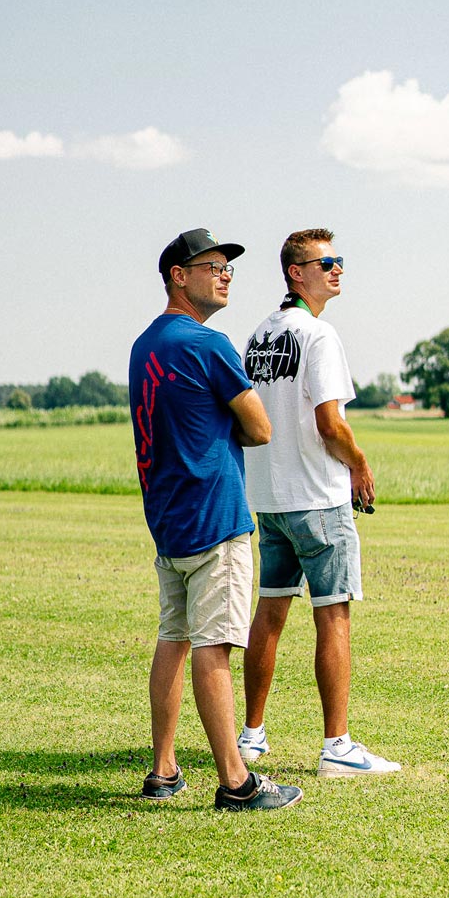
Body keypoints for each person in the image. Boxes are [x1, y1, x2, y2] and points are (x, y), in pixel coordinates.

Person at [132, 228, 302, 812]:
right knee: (214, 646)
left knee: (173, 636)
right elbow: (259, 428)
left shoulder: (145, 344)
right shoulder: (210, 344)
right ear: (179, 275)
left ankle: (162, 769)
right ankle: (237, 780)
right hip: (216, 516)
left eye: (227, 266)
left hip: (169, 519)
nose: (225, 273)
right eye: (211, 265)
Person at [236, 228, 402, 778]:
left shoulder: (258, 337)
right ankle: (338, 747)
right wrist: (359, 463)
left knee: (272, 610)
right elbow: (330, 423)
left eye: (338, 261)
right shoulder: (319, 335)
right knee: (333, 615)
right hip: (318, 496)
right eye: (324, 262)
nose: (336, 270)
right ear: (295, 272)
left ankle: (251, 737)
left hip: (270, 497)